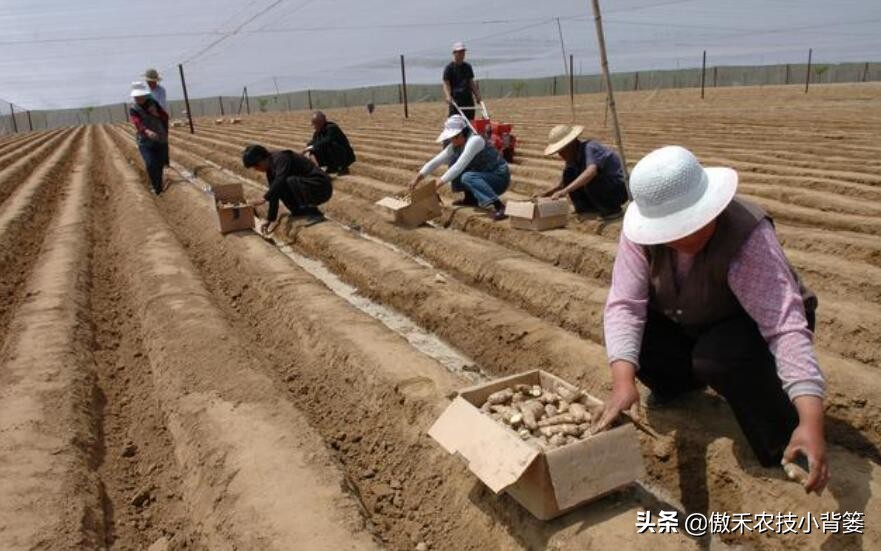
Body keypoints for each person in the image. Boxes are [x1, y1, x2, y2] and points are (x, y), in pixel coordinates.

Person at [594, 145, 829, 495]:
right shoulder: (639, 235)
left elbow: (784, 326)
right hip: (690, 317)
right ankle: (679, 385)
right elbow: (625, 305)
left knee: (719, 357)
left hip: (747, 329)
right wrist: (623, 382)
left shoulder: (745, 234)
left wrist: (812, 419)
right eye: (670, 231)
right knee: (635, 339)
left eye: (692, 224)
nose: (683, 237)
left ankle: (784, 435)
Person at [410, 115, 509, 221]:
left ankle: (499, 206)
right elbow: (436, 161)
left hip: (499, 177)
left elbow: (459, 166)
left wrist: (435, 186)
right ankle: (470, 199)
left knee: (467, 176)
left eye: (455, 137)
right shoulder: (455, 145)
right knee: (454, 163)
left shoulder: (475, 140)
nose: (453, 140)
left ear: (463, 133)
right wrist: (417, 178)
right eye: (451, 138)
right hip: (484, 174)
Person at [541, 125, 628, 221]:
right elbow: (564, 183)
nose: (560, 155)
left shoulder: (590, 147)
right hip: (605, 187)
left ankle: (612, 210)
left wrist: (565, 191)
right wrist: (547, 193)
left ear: (572, 144)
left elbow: (591, 172)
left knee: (590, 179)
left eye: (562, 151)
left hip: (619, 188)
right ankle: (586, 208)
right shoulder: (573, 158)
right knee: (568, 174)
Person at [242, 144, 332, 233]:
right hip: (307, 186)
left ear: (262, 159)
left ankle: (312, 211)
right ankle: (299, 211)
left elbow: (280, 179)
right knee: (278, 187)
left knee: (288, 181)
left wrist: (264, 198)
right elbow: (274, 194)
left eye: (256, 166)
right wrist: (270, 219)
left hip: (320, 186)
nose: (256, 169)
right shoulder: (270, 169)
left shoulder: (281, 158)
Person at [129, 81, 169, 196]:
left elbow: (165, 116)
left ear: (144, 95)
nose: (138, 99)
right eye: (136, 97)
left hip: (159, 138)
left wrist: (157, 114)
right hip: (145, 141)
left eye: (140, 96)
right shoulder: (133, 108)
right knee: (151, 164)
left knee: (160, 163)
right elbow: (137, 122)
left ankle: (159, 185)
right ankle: (156, 188)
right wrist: (146, 131)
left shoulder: (153, 103)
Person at [443, 42, 481, 120]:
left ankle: (470, 132)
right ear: (454, 53)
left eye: (463, 52)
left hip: (468, 98)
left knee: (470, 121)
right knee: (456, 122)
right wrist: (448, 96)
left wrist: (477, 95)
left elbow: (471, 83)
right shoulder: (449, 68)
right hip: (456, 100)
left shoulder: (467, 67)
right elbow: (446, 84)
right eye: (459, 52)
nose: (462, 54)